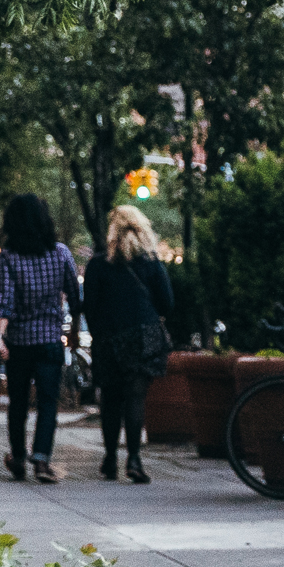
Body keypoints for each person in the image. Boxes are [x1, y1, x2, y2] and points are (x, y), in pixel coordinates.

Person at [0, 193, 84, 483]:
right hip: (49, 340)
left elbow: (4, 300)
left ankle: (18, 457)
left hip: (19, 342)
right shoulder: (61, 253)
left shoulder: (8, 257)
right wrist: (74, 331)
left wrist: (0, 335)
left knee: (17, 402)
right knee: (47, 402)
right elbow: (75, 295)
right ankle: (42, 460)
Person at [84, 206, 175, 484]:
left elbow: (89, 306)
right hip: (143, 337)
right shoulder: (151, 263)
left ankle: (110, 459)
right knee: (135, 398)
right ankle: (134, 459)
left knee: (110, 399)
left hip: (109, 338)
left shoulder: (98, 264)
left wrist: (100, 331)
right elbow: (168, 303)